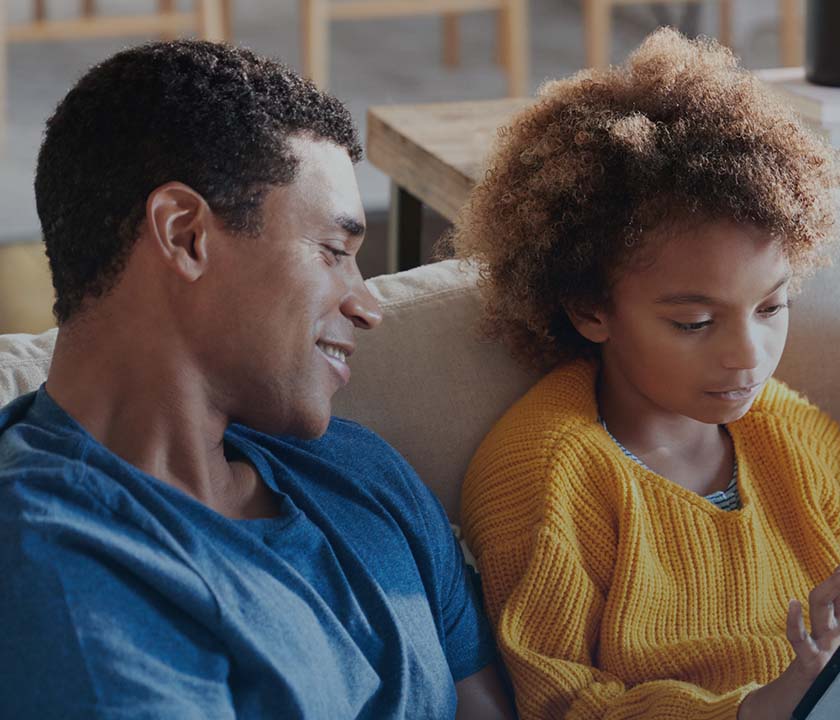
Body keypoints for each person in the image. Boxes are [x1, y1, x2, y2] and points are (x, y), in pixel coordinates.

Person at [452, 29, 840, 720]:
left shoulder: (804, 442)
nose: (748, 355)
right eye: (694, 323)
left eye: (773, 307)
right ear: (590, 308)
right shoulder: (544, 475)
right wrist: (757, 711)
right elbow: (559, 705)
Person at [0, 41, 512, 719]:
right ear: (185, 236)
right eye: (334, 252)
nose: (368, 306)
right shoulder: (56, 565)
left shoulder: (359, 474)